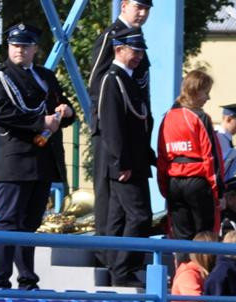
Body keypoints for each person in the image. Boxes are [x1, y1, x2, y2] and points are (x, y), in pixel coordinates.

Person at [0, 23, 76, 291]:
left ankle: (27, 279)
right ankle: (0, 280)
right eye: (15, 45)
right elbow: (1, 113)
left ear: (35, 49)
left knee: (31, 223)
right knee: (9, 221)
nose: (19, 50)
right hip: (15, 160)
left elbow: (60, 108)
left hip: (42, 161)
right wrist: (41, 122)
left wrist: (65, 112)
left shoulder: (45, 77)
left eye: (25, 46)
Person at [94, 27, 154, 288]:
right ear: (119, 50)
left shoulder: (130, 78)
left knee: (118, 219)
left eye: (140, 50)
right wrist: (121, 163)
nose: (139, 56)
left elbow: (140, 121)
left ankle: (117, 267)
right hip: (125, 164)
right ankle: (122, 268)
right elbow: (112, 126)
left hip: (136, 161)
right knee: (140, 216)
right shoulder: (113, 79)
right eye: (134, 50)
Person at [88, 0, 152, 239]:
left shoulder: (136, 39)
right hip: (112, 127)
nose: (143, 13)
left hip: (132, 127)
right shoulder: (113, 36)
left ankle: (117, 257)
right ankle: (106, 252)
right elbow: (98, 83)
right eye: (139, 7)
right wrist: (105, 120)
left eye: (146, 9)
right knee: (108, 196)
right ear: (124, 6)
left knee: (122, 204)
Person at [156, 69, 224, 242]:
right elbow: (210, 157)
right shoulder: (200, 117)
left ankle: (183, 269)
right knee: (205, 235)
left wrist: (165, 188)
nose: (208, 98)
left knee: (181, 237)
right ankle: (203, 269)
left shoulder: (168, 117)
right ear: (195, 91)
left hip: (174, 184)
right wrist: (219, 194)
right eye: (206, 92)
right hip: (197, 181)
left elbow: (162, 156)